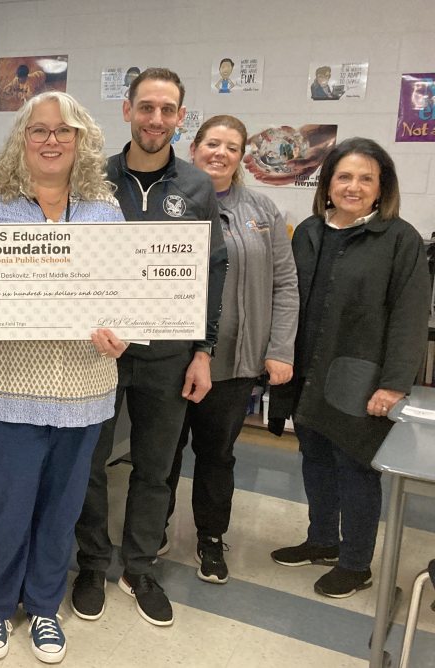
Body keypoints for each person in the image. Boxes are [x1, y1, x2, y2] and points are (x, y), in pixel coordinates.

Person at [0, 91, 124, 664]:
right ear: (21, 138)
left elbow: (124, 294)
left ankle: (45, 607)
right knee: (2, 511)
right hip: (4, 386)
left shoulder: (104, 207)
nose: (52, 140)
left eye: (64, 130)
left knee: (60, 511)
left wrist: (123, 331)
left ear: (81, 139)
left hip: (83, 389)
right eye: (40, 130)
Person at [73, 67, 227, 627]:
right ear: (127, 111)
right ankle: (92, 564)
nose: (155, 119)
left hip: (167, 355)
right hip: (99, 352)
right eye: (146, 107)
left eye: (166, 110)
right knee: (88, 465)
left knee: (155, 469)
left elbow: (213, 270)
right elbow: (74, 260)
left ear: (180, 118)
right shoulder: (92, 178)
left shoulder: (197, 187)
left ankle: (139, 568)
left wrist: (204, 351)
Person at [268, 138, 429, 598]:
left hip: (360, 375)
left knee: (355, 467)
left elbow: (410, 316)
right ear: (327, 183)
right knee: (315, 457)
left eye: (365, 178)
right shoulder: (309, 232)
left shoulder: (399, 239)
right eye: (344, 176)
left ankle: (357, 564)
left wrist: (394, 384)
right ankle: (322, 541)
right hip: (308, 369)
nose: (353, 186)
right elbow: (288, 298)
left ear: (381, 188)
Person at [162, 115, 299, 584]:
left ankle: (210, 538)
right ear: (194, 148)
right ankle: (152, 529)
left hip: (234, 361)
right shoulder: (167, 201)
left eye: (232, 147)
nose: (220, 153)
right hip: (171, 357)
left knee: (217, 456)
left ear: (241, 157)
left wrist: (280, 348)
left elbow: (285, 284)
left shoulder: (262, 210)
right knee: (162, 453)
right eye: (213, 144)